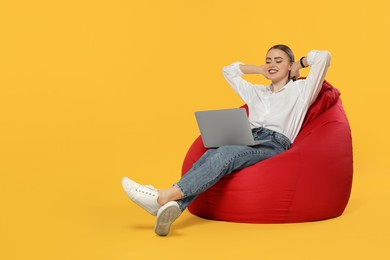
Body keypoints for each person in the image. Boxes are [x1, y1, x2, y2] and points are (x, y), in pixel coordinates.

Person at [122, 44, 331, 236]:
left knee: (225, 153)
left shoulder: (301, 91)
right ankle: (173, 208)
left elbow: (323, 57)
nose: (271, 64)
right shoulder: (256, 92)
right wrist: (258, 69)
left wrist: (300, 64)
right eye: (268, 60)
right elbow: (228, 71)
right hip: (248, 138)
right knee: (212, 152)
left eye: (278, 60)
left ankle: (160, 197)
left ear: (289, 65)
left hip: (274, 144)